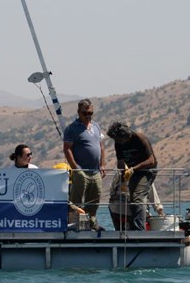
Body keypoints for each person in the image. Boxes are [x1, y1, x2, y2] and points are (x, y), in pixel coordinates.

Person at [106, 121, 157, 231]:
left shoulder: (139, 138)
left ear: (125, 136)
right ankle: (134, 227)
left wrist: (133, 169)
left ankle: (139, 230)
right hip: (133, 172)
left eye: (119, 139)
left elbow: (151, 160)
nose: (118, 142)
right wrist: (122, 174)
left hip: (147, 171)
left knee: (138, 197)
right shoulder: (118, 143)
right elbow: (120, 161)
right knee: (132, 199)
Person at [63, 99, 106, 228]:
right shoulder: (72, 129)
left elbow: (101, 145)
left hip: (96, 171)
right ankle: (73, 225)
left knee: (94, 199)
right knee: (76, 200)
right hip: (81, 171)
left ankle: (91, 223)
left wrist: (102, 163)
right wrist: (76, 168)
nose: (88, 116)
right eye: (85, 113)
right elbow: (67, 148)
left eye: (90, 113)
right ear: (78, 112)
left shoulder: (96, 126)